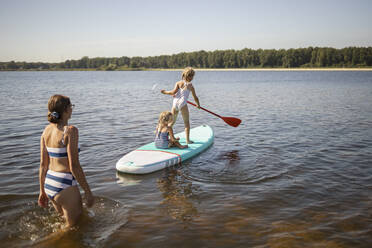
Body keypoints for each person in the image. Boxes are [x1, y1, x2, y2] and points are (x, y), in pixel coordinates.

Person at [38, 94, 94, 228]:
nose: (72, 109)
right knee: (72, 229)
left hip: (50, 182)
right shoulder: (70, 131)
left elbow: (42, 165)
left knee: (63, 224)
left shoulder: (46, 130)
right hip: (64, 183)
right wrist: (88, 192)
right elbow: (74, 165)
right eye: (71, 106)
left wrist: (42, 191)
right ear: (65, 110)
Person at [161, 67, 200, 144]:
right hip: (183, 104)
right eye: (192, 76)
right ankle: (188, 140)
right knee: (186, 123)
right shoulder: (191, 86)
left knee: (171, 122)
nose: (192, 78)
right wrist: (198, 105)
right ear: (189, 76)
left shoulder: (178, 83)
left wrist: (165, 92)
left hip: (175, 103)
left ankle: (166, 137)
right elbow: (195, 97)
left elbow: (172, 92)